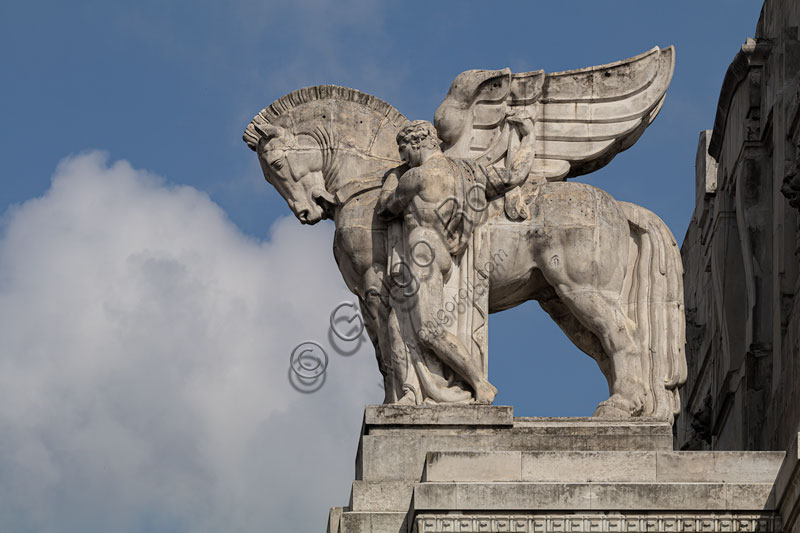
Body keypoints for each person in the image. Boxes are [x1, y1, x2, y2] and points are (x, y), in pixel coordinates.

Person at [377, 111, 536, 403]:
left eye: (404, 150)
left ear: (417, 143)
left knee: (429, 331)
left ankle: (480, 383)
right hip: (440, 252)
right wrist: (529, 137)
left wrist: (391, 179)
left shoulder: (415, 177)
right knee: (399, 324)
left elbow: (386, 208)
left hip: (421, 250)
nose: (404, 157)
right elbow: (515, 175)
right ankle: (422, 388)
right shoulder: (468, 173)